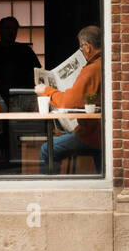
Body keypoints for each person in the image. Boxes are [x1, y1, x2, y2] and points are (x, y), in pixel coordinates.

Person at [34, 25, 103, 174]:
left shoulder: (92, 69)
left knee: (47, 150)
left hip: (91, 135)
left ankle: (49, 191)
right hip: (101, 133)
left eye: (81, 48)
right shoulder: (104, 64)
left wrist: (47, 91)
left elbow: (68, 102)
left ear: (87, 47)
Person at [0, 16, 41, 102]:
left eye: (14, 29)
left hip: (21, 95)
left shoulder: (25, 50)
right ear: (0, 30)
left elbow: (37, 73)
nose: (11, 32)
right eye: (7, 28)